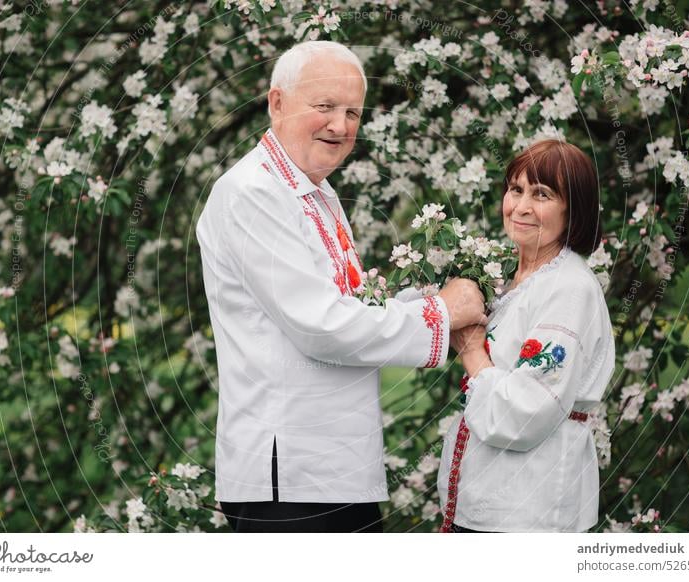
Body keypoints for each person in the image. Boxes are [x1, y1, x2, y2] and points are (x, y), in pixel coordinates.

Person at [195, 40, 486, 533]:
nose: (340, 125)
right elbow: (323, 327)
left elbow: (343, 306)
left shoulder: (316, 190)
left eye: (352, 111)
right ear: (277, 102)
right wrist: (440, 313)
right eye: (324, 106)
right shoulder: (252, 193)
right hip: (289, 480)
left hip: (333, 468)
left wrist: (429, 299)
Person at [438, 139, 615, 533]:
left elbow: (526, 412)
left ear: (573, 209)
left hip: (529, 506)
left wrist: (470, 350)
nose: (520, 207)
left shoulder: (569, 289)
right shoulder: (504, 276)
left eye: (542, 194)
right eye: (515, 189)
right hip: (490, 496)